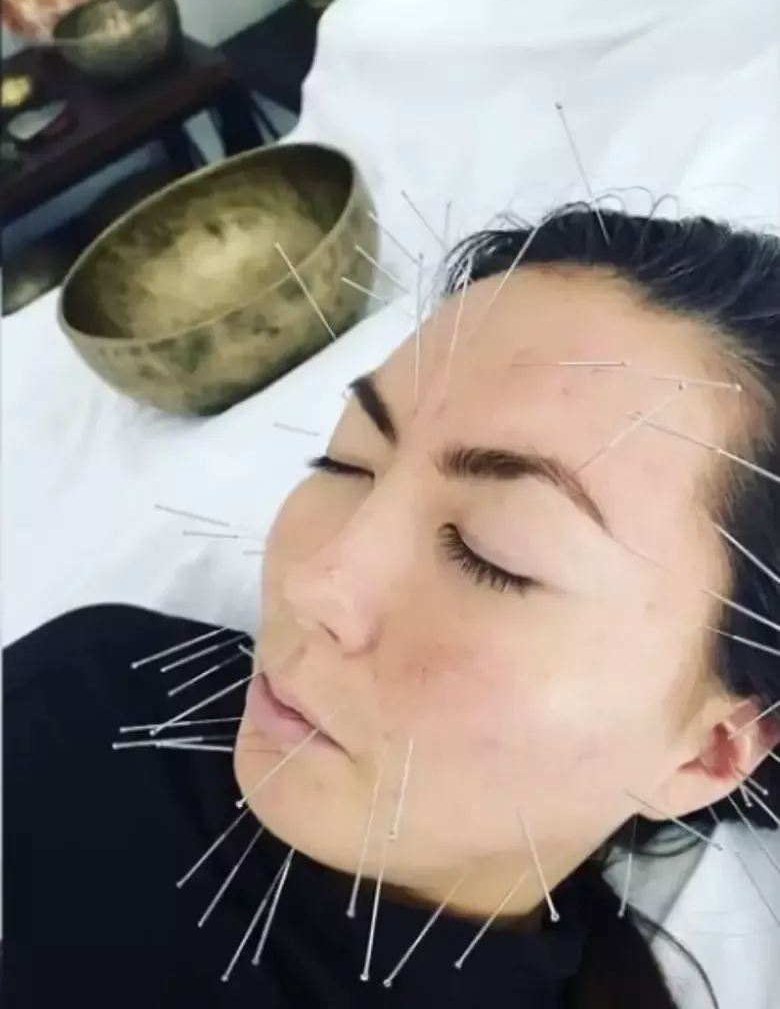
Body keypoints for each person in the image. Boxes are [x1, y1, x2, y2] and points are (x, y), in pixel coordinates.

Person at [5, 206, 780, 1009]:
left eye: (492, 555)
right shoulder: (97, 695)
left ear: (713, 752)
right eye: (345, 461)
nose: (315, 585)